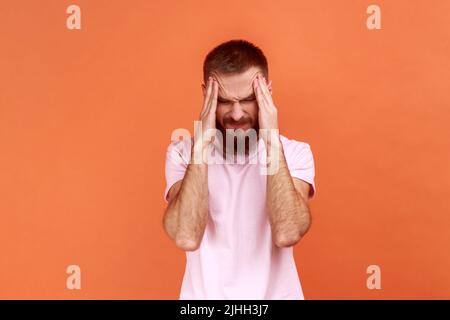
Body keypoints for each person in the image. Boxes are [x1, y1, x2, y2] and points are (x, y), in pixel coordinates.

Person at [163, 39, 316, 299]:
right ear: (206, 95)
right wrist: (201, 144)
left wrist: (270, 138)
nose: (236, 114)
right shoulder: (181, 154)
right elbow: (187, 236)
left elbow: (288, 232)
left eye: (247, 100)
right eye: (224, 101)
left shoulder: (294, 153)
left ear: (266, 93)